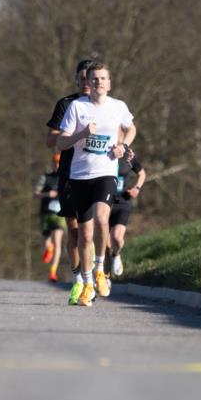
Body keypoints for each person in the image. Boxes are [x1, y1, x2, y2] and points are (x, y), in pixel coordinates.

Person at [56, 61, 136, 307]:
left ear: (109, 83)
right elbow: (60, 144)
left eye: (103, 78)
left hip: (106, 172)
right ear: (87, 83)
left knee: (103, 220)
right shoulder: (77, 107)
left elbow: (130, 128)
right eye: (94, 79)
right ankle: (87, 282)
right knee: (85, 233)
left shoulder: (118, 106)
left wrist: (123, 145)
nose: (99, 82)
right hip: (80, 176)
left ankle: (101, 268)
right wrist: (82, 135)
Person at [45, 60, 94, 305]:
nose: (87, 83)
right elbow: (49, 140)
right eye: (82, 79)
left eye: (91, 78)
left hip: (97, 172)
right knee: (73, 229)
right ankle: (78, 282)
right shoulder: (66, 104)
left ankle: (93, 278)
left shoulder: (106, 106)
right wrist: (73, 134)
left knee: (92, 229)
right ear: (76, 80)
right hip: (69, 173)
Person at [106, 147, 146, 278]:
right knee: (105, 244)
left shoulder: (128, 156)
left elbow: (142, 173)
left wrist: (137, 188)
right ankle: (105, 277)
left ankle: (116, 254)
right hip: (105, 202)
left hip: (123, 201)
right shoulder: (103, 154)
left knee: (117, 239)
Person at [33, 157, 66, 282]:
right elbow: (35, 193)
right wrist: (47, 194)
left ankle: (53, 271)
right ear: (52, 164)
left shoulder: (66, 177)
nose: (57, 165)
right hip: (46, 212)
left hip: (59, 214)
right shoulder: (45, 177)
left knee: (57, 240)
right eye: (55, 163)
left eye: (59, 163)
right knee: (47, 241)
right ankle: (49, 248)